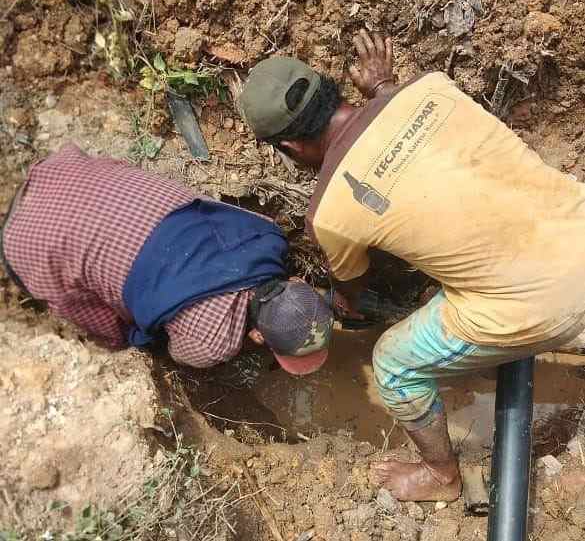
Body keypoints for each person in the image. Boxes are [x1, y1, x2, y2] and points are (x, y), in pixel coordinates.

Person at [238, 29, 585, 501]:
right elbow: (395, 114)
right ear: (331, 88)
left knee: (394, 363)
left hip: (542, 305)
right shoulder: (428, 89)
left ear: (291, 148)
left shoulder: (331, 212)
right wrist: (383, 88)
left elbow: (353, 293)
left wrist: (339, 304)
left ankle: (439, 476)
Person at [0, 144, 333, 376]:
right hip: (26, 244)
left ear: (297, 281)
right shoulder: (212, 344)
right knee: (118, 335)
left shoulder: (267, 235)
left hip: (66, 175)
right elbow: (165, 347)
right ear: (258, 338)